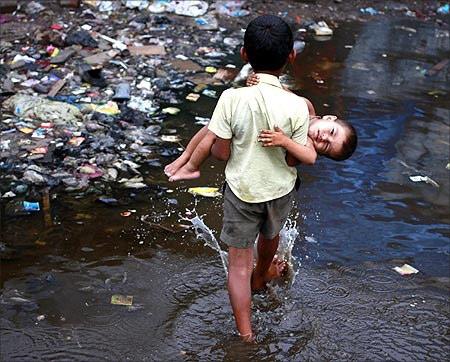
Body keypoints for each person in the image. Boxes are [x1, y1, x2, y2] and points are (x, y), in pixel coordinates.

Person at [170, 15, 357, 342]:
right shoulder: (300, 107)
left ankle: (246, 336)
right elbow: (290, 138)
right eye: (328, 132)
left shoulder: (235, 98)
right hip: (278, 192)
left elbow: (224, 154)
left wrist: (240, 136)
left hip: (243, 191)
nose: (322, 138)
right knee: (271, 234)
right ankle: (263, 275)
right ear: (292, 56)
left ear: (244, 54)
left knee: (238, 266)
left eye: (327, 143)